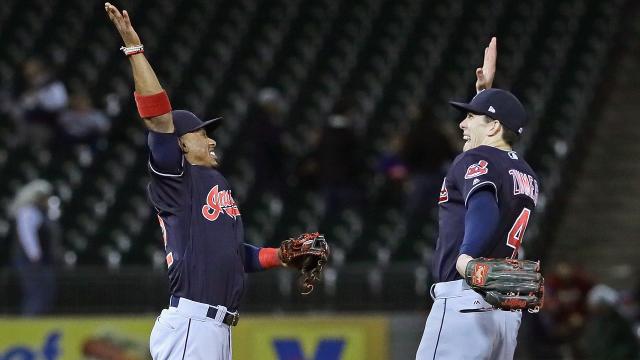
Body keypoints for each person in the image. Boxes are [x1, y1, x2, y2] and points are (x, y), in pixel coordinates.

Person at [105, 4, 326, 359]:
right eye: (200, 133)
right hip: (192, 323)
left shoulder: (211, 181)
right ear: (179, 143)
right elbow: (158, 117)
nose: (211, 140)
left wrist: (280, 256)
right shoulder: (175, 179)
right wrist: (134, 49)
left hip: (215, 328)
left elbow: (233, 254)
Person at [416, 37, 540, 359]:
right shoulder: (525, 173)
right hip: (503, 310)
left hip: (465, 299)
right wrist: (483, 95)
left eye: (471, 117)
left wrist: (466, 257)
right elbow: (493, 172)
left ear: (495, 126)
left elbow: (483, 207)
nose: (462, 123)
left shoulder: (474, 159)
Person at [9, 179, 61, 315]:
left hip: (42, 261)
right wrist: (34, 255)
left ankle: (39, 323)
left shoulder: (44, 213)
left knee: (47, 292)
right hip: (31, 261)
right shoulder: (28, 212)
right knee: (36, 293)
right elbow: (27, 235)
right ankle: (28, 324)